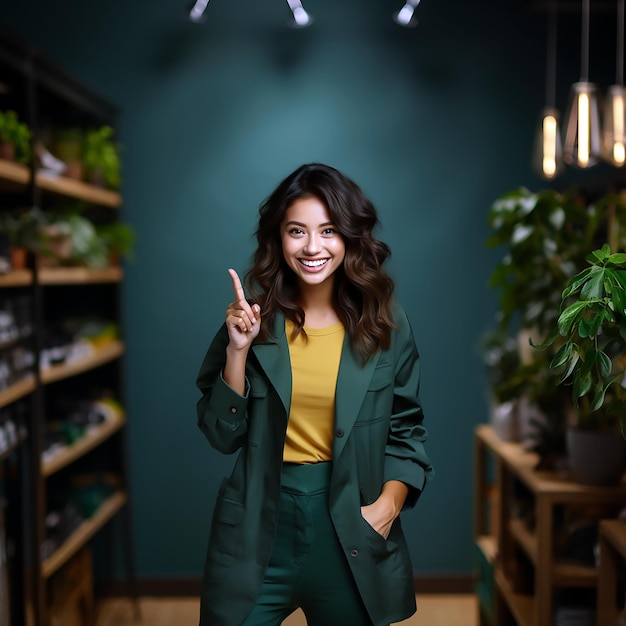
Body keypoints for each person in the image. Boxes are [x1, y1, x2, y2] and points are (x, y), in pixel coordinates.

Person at [196, 163, 434, 626]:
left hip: (349, 528)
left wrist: (387, 508)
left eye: (328, 230)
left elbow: (407, 429)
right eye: (296, 231)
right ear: (277, 239)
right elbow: (221, 435)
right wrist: (238, 353)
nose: (311, 247)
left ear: (349, 235)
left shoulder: (386, 323)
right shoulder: (253, 319)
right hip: (258, 527)